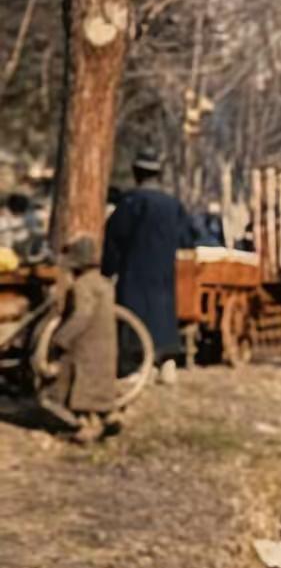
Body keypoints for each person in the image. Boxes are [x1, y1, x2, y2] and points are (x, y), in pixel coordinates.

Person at [102, 150, 193, 385]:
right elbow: (187, 238)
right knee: (162, 315)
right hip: (163, 273)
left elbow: (113, 238)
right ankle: (166, 363)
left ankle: (138, 367)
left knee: (135, 317)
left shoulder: (131, 202)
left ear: (136, 174)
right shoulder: (173, 205)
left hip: (134, 272)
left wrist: (108, 269)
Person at [42, 236, 118, 442]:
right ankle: (106, 415)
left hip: (87, 344)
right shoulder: (103, 283)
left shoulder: (82, 286)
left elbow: (82, 314)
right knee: (99, 381)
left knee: (81, 381)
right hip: (105, 342)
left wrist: (61, 338)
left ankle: (90, 425)